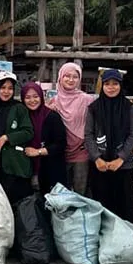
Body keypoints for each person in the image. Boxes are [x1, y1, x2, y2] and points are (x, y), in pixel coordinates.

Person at [85, 69, 133, 224]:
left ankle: (126, 243)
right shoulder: (94, 108)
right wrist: (97, 158)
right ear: (102, 86)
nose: (111, 87)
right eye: (107, 84)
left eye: (115, 84)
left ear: (120, 85)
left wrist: (120, 159)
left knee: (125, 206)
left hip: (123, 166)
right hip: (99, 165)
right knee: (101, 206)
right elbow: (88, 135)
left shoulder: (129, 107)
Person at [48, 62, 96, 196]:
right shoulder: (53, 102)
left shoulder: (87, 100)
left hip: (81, 152)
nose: (70, 80)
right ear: (60, 78)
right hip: (61, 153)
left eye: (75, 77)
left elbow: (94, 125)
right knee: (63, 193)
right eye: (67, 76)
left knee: (82, 193)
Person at [0, 71, 35, 205]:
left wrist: (6, 137)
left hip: (15, 166)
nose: (6, 91)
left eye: (10, 88)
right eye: (3, 88)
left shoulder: (19, 108)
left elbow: (28, 132)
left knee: (16, 203)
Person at [19, 82, 68, 194]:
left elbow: (61, 144)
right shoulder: (22, 117)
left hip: (51, 169)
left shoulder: (52, 116)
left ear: (41, 97)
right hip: (28, 169)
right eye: (28, 97)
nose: (32, 100)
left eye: (36, 96)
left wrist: (38, 152)